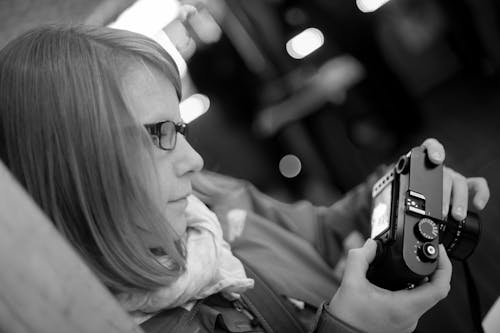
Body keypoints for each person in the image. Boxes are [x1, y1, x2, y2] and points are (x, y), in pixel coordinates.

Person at [0, 24, 490, 333]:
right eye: (157, 135)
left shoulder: (210, 199)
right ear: (74, 170)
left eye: (181, 128)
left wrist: (399, 193)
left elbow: (318, 232)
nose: (194, 161)